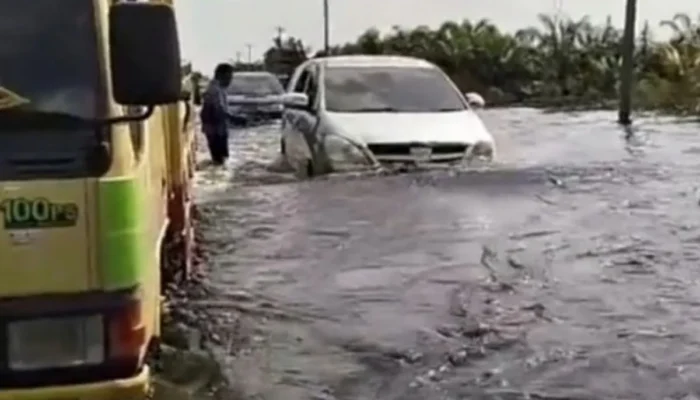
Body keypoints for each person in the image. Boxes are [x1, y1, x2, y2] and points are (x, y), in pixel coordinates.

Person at [200, 63, 247, 165]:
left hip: (216, 130)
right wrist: (235, 118)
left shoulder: (218, 89)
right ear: (221, 75)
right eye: (229, 77)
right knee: (220, 161)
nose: (230, 81)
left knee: (220, 161)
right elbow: (219, 110)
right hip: (216, 131)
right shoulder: (215, 90)